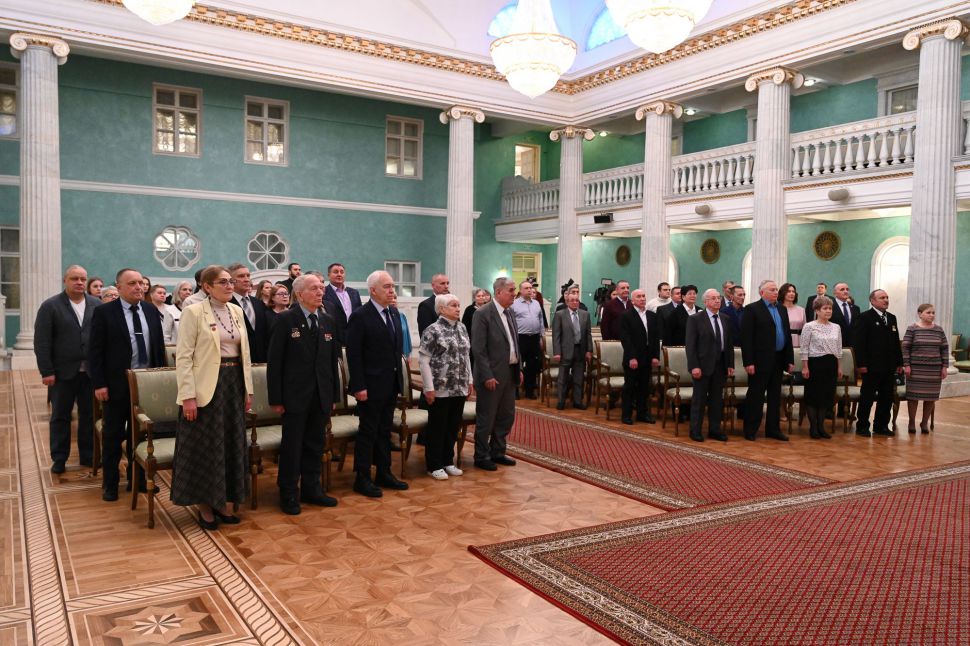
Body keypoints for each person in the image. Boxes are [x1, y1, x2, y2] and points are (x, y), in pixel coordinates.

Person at [171, 265, 254, 529]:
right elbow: (184, 357)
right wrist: (188, 396)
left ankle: (222, 502)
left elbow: (245, 355)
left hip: (233, 385)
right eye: (223, 282)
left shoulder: (236, 311)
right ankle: (205, 506)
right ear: (207, 287)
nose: (230, 286)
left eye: (231, 281)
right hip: (205, 388)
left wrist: (248, 389)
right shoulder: (193, 311)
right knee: (206, 448)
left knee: (229, 444)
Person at [88, 268, 166, 501]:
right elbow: (95, 352)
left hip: (146, 384)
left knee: (140, 435)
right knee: (113, 435)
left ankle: (138, 480)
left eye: (141, 283)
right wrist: (99, 384)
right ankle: (110, 483)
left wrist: (160, 378)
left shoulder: (150, 310)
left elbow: (158, 348)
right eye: (132, 283)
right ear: (119, 287)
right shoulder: (104, 312)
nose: (138, 287)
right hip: (116, 384)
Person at [267, 273, 341, 513]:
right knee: (293, 446)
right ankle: (288, 493)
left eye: (321, 288)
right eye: (314, 288)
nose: (320, 292)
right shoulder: (285, 319)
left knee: (315, 444)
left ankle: (312, 489)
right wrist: (276, 398)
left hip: (321, 394)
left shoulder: (328, 320)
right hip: (294, 396)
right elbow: (275, 362)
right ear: (299, 294)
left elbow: (332, 362)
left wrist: (333, 396)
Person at [346, 270, 409, 497]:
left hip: (390, 383)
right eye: (387, 286)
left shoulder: (393, 313)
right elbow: (354, 355)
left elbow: (395, 350)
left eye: (393, 286)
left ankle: (384, 472)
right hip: (370, 385)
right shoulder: (360, 316)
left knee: (384, 431)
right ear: (373, 290)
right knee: (368, 432)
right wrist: (359, 386)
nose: (392, 290)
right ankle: (362, 478)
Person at [34, 265, 101, 474]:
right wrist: (46, 371)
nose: (79, 282)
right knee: (61, 416)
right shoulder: (50, 306)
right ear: (65, 280)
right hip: (62, 373)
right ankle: (59, 458)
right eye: (74, 278)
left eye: (82, 279)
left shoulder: (96, 305)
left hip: (90, 373)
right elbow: (42, 342)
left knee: (89, 415)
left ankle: (88, 455)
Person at [418, 293, 473, 480]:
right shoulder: (432, 330)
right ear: (441, 309)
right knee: (438, 427)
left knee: (452, 426)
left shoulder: (462, 328)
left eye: (458, 305)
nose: (458, 308)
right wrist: (428, 388)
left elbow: (466, 356)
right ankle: (434, 465)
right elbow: (424, 361)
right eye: (453, 305)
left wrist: (470, 380)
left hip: (459, 385)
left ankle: (448, 461)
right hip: (440, 386)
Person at [471, 277, 521, 471]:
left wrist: (518, 367)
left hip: (510, 372)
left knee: (506, 416)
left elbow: (514, 343)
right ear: (498, 292)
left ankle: (498, 451)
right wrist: (487, 375)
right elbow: (478, 349)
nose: (514, 293)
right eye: (511, 290)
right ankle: (481, 455)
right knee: (487, 417)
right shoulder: (483, 314)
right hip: (491, 375)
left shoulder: (510, 312)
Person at [740, 280, 794, 442]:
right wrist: (748, 362)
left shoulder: (782, 309)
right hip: (759, 361)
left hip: (778, 359)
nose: (776, 292)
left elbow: (787, 335)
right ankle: (751, 429)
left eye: (776, 289)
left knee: (775, 397)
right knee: (756, 396)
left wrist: (790, 359)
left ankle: (773, 429)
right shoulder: (752, 309)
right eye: (772, 290)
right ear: (762, 292)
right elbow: (746, 339)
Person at [852, 289, 904, 437]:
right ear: (872, 301)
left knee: (886, 397)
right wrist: (861, 364)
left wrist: (899, 362)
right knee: (867, 398)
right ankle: (862, 426)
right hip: (871, 366)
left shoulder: (891, 318)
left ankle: (881, 426)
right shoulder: (864, 317)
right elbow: (859, 343)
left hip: (889, 366)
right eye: (882, 298)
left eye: (887, 297)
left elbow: (895, 342)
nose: (886, 300)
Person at [685, 289, 735, 442]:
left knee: (716, 400)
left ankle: (714, 430)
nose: (717, 300)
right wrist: (694, 366)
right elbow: (690, 345)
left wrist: (730, 364)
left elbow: (729, 344)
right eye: (713, 298)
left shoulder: (725, 318)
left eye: (718, 298)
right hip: (702, 365)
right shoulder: (695, 319)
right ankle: (695, 430)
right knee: (699, 400)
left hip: (720, 366)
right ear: (705, 302)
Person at [902, 303, 949, 434]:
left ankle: (924, 422)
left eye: (933, 313)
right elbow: (905, 348)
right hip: (916, 369)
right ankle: (912, 421)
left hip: (934, 370)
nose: (931, 315)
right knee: (913, 397)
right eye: (928, 312)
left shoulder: (939, 330)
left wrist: (945, 366)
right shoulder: (912, 329)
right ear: (920, 314)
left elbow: (944, 348)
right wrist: (907, 365)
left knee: (930, 397)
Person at [799, 296, 842, 439]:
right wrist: (805, 367)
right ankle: (813, 427)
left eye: (830, 308)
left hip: (831, 364)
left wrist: (839, 367)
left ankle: (821, 427)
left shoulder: (836, 327)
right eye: (825, 308)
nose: (828, 311)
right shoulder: (809, 326)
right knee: (813, 396)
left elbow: (838, 349)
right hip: (815, 364)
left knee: (826, 397)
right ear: (817, 311)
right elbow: (804, 348)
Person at [619, 288, 660, 425]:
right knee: (630, 387)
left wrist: (655, 356)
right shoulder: (626, 315)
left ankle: (642, 414)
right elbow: (626, 339)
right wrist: (632, 357)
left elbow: (655, 338)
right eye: (639, 297)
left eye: (643, 296)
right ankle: (626, 415)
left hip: (647, 357)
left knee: (644, 387)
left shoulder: (652, 315)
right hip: (633, 357)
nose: (642, 299)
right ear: (632, 301)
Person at [552, 288, 593, 410]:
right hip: (565, 351)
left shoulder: (585, 314)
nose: (575, 302)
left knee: (578, 378)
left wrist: (589, 350)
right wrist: (557, 352)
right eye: (572, 300)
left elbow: (588, 334)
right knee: (563, 378)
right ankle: (561, 401)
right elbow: (556, 335)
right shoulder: (560, 315)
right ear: (567, 302)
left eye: (577, 300)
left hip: (580, 350)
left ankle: (577, 401)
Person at [510, 280, 545, 399]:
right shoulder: (514, 304)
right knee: (517, 364)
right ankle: (515, 390)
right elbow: (510, 322)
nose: (529, 290)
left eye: (530, 288)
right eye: (526, 288)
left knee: (532, 365)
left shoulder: (536, 303)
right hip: (520, 338)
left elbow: (541, 320)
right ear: (520, 291)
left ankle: (530, 390)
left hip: (534, 338)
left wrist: (541, 337)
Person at [228, 263, 269, 364]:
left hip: (261, 361)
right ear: (231, 280)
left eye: (248, 275)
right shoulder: (226, 304)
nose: (246, 279)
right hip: (237, 360)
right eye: (241, 276)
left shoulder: (258, 303)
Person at [323, 262, 362, 345]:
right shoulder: (324, 293)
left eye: (342, 272)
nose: (339, 274)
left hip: (354, 337)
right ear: (328, 275)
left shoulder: (354, 293)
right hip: (334, 338)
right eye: (335, 272)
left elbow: (359, 314)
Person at [829, 282, 858, 347]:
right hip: (834, 344)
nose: (846, 291)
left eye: (847, 289)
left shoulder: (855, 308)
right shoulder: (829, 307)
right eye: (842, 289)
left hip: (852, 345)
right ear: (834, 293)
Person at [778, 283, 805, 348]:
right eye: (788, 291)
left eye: (793, 292)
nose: (792, 293)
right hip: (782, 343)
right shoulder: (777, 309)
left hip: (798, 343)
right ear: (783, 293)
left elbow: (805, 329)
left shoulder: (801, 310)